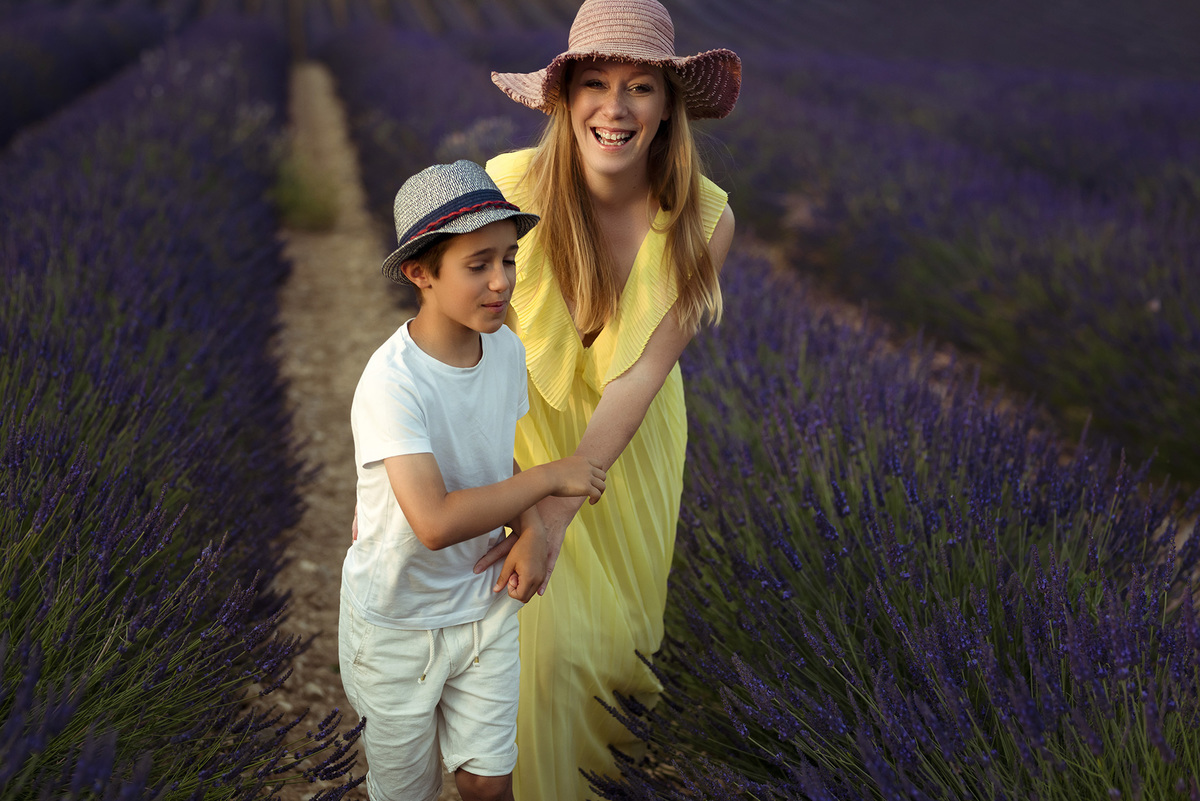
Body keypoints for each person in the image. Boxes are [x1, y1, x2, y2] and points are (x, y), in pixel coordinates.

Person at [474, 0, 741, 796]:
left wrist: (554, 514)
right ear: (565, 97)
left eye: (640, 88)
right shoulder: (508, 187)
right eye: (595, 83)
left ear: (668, 105)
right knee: (529, 657)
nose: (615, 108)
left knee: (602, 655)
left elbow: (641, 374)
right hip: (517, 436)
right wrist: (398, 466)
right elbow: (450, 337)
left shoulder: (704, 215)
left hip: (623, 452)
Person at [339, 160, 608, 801]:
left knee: (488, 784)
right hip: (398, 620)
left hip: (481, 604)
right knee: (406, 791)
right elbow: (432, 523)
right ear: (420, 273)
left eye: (509, 260)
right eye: (477, 264)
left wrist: (536, 526)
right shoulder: (392, 382)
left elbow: (491, 460)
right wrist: (552, 478)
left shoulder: (505, 351)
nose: (501, 283)